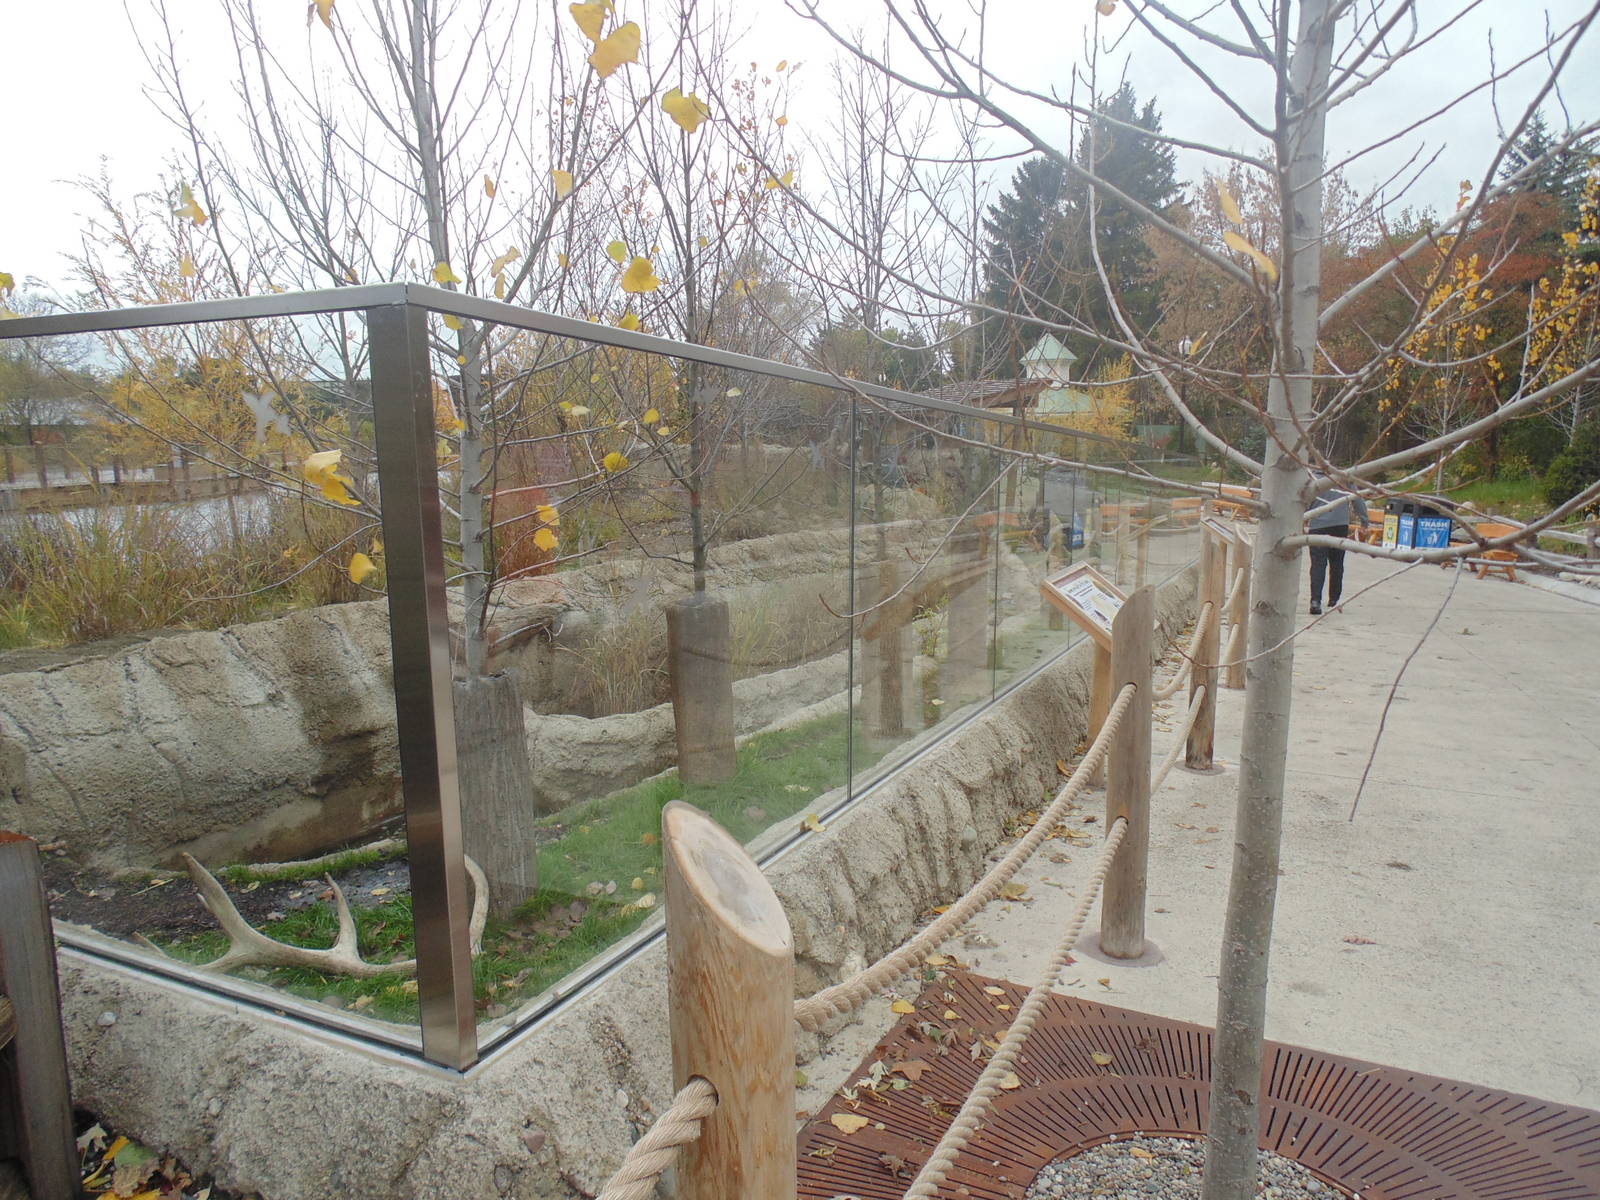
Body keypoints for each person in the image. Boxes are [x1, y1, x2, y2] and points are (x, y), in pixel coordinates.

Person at [1306, 484, 1369, 614]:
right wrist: (1364, 521)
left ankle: (1315, 601)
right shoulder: (1344, 479)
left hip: (1318, 525)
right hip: (1339, 525)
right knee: (1337, 564)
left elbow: (1303, 501)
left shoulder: (1312, 479)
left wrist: (1302, 519)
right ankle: (1334, 599)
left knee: (1318, 564)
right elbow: (1357, 499)